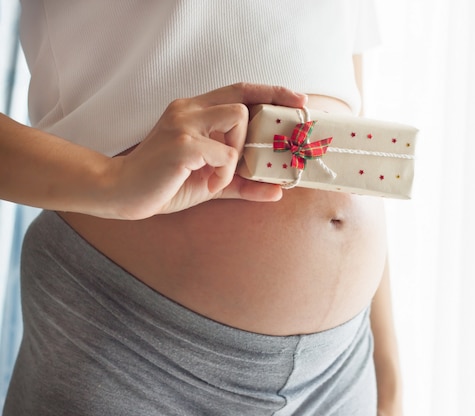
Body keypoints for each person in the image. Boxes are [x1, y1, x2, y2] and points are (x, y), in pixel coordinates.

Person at [0, 1, 402, 415]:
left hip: (342, 367)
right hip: (130, 343)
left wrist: (387, 374)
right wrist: (110, 179)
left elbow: (352, 121)